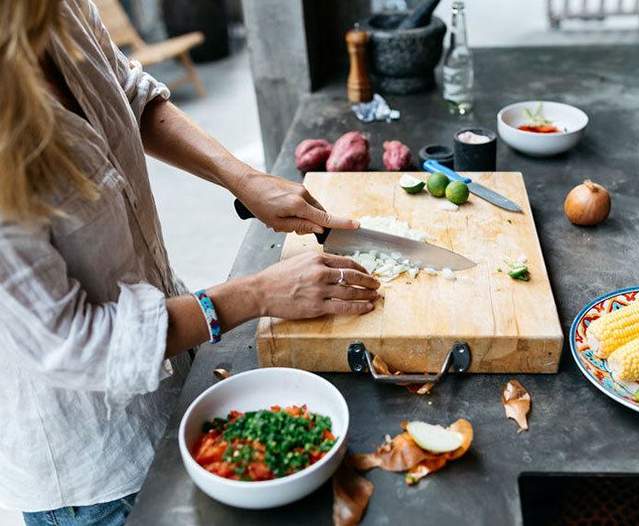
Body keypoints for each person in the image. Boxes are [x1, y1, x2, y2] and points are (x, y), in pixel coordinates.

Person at [0, 1, 380, 524]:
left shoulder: (57, 9)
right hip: (91, 473)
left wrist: (243, 178)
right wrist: (258, 293)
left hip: (172, 373)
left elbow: (132, 97)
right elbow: (79, 344)